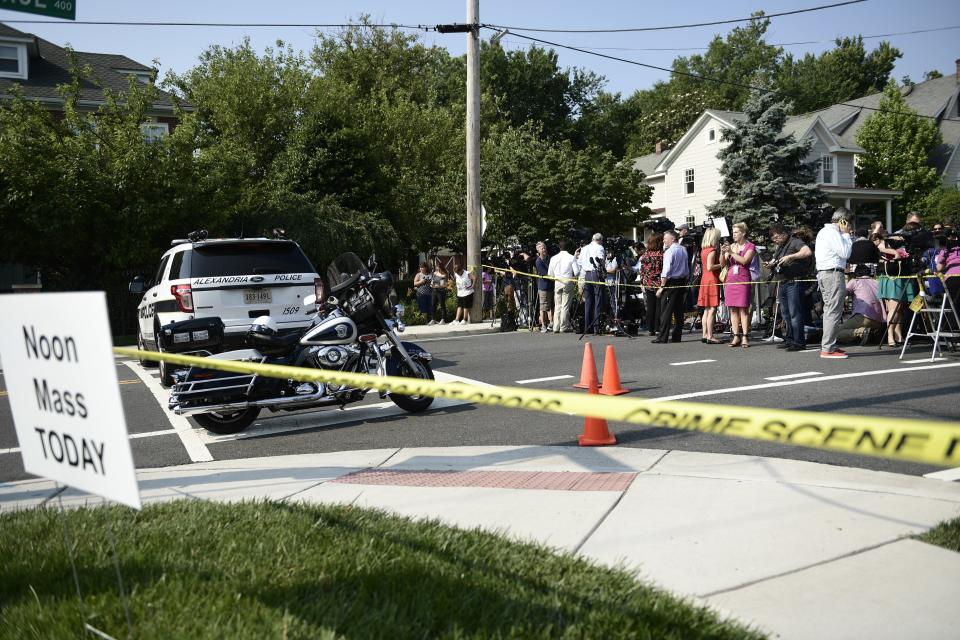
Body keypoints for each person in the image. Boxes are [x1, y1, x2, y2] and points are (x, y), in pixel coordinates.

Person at [815, 208, 854, 358]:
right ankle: (828, 348)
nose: (850, 228)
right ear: (843, 221)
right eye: (849, 224)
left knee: (830, 311)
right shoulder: (833, 233)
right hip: (833, 274)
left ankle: (830, 344)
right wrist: (846, 235)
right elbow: (845, 253)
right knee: (833, 311)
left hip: (826, 273)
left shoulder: (825, 232)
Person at [769, 223, 813, 351]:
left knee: (795, 313)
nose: (775, 240)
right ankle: (790, 339)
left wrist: (791, 256)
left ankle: (799, 342)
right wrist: (771, 263)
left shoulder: (795, 242)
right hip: (783, 282)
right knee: (786, 314)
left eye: (776, 237)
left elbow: (807, 251)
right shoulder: (781, 246)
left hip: (794, 282)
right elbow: (776, 260)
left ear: (784, 234)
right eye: (773, 238)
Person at [872, 228, 917, 347]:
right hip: (891, 277)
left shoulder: (897, 242)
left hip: (899, 275)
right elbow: (894, 254)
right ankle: (890, 335)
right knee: (894, 308)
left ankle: (898, 335)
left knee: (900, 308)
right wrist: (895, 251)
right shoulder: (882, 244)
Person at [720, 223, 756, 348]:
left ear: (743, 233)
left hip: (743, 279)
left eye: (736, 232)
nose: (733, 234)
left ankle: (745, 336)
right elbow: (722, 263)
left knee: (743, 309)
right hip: (730, 279)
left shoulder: (750, 246)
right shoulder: (731, 246)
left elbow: (745, 261)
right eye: (733, 232)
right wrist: (722, 252)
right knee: (733, 309)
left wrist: (731, 252)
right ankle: (736, 336)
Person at [652, 229, 690, 343]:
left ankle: (662, 337)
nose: (664, 241)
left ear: (672, 239)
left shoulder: (669, 251)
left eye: (665, 238)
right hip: (682, 282)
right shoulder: (683, 249)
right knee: (678, 310)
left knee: (666, 311)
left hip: (671, 282)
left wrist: (662, 287)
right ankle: (677, 336)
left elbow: (666, 270)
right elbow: (687, 268)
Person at [838, 265, 884, 344]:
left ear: (856, 274)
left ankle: (862, 332)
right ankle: (868, 333)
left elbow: (842, 294)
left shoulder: (855, 281)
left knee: (836, 333)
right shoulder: (877, 282)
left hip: (864, 316)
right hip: (879, 319)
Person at [547, 240, 580, 333]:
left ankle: (555, 326)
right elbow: (577, 272)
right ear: (568, 248)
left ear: (559, 247)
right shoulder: (571, 257)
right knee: (565, 305)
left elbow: (550, 274)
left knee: (557, 305)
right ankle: (563, 326)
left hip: (557, 282)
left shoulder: (553, 258)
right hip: (567, 281)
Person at [697, 227, 722, 343]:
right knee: (712, 309)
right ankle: (710, 336)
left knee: (706, 309)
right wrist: (722, 264)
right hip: (712, 279)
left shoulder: (704, 250)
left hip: (705, 279)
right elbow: (710, 266)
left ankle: (705, 334)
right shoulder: (712, 250)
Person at [579, 233, 606, 334]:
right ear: (600, 240)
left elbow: (580, 262)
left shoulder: (585, 248)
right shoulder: (599, 247)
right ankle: (596, 327)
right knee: (598, 300)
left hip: (587, 274)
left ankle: (587, 327)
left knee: (589, 302)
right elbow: (601, 261)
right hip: (596, 273)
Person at [638, 233, 664, 336]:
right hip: (658, 282)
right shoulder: (661, 254)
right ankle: (657, 327)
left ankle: (650, 328)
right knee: (659, 306)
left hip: (647, 282)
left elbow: (642, 270)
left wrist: (642, 282)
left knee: (650, 305)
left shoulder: (645, 254)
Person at [935, 227, 960, 311]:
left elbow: (939, 268)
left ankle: (950, 324)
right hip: (952, 277)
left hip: (952, 278)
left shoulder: (944, 250)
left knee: (952, 306)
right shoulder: (945, 250)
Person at [534, 242, 554, 332]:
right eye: (542, 248)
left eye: (544, 248)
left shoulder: (550, 258)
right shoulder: (538, 261)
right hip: (543, 287)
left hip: (551, 285)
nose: (544, 250)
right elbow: (545, 274)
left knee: (551, 306)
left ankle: (551, 323)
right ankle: (543, 325)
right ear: (538, 250)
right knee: (543, 307)